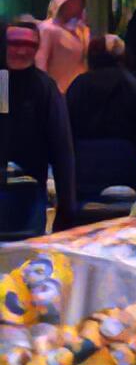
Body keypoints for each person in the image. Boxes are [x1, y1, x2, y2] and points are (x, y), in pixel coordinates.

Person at [64, 30, 136, 210]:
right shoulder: (131, 84)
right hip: (124, 166)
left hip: (84, 167)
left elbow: (65, 128)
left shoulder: (79, 84)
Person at [0, 16, 76, 230]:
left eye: (29, 45)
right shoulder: (3, 80)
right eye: (15, 44)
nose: (22, 51)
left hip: (31, 193)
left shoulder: (44, 87)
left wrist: (67, 205)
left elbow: (62, 147)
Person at [35, 0, 89, 93]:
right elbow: (41, 65)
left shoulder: (79, 31)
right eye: (73, 2)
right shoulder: (47, 29)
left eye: (79, 2)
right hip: (58, 93)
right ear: (63, 4)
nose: (78, 6)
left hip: (78, 93)